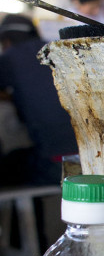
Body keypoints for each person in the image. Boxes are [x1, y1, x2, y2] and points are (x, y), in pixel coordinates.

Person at [0, 13, 78, 187]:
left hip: (57, 165)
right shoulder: (58, 50)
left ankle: (27, 214)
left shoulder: (9, 59)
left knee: (10, 165)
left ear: (6, 41)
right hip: (97, 158)